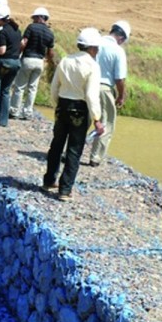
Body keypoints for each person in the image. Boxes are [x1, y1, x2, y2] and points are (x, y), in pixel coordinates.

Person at [41, 28, 105, 201]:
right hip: (80, 109)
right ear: (92, 48)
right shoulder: (93, 66)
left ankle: (49, 180)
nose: (97, 51)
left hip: (62, 105)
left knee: (56, 145)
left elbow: (55, 87)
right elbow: (92, 95)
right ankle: (65, 189)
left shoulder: (66, 61)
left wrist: (58, 105)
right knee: (74, 150)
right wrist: (97, 119)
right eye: (97, 48)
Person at [88, 20, 131, 167]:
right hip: (104, 88)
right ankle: (95, 157)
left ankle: (69, 151)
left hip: (87, 84)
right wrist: (121, 95)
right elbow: (119, 78)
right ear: (121, 38)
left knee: (83, 120)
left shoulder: (95, 42)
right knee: (106, 123)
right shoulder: (118, 51)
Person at [10, 7, 55, 120]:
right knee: (32, 88)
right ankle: (28, 112)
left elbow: (23, 43)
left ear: (40, 17)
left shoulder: (31, 27)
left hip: (28, 59)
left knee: (20, 86)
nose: (33, 19)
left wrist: (17, 54)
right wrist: (48, 61)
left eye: (35, 17)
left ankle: (14, 111)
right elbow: (50, 52)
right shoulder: (50, 33)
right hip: (40, 62)